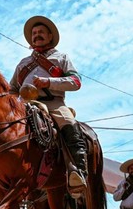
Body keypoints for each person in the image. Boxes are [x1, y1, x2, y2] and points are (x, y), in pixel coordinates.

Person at [10, 15, 87, 193]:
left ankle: (78, 172)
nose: (37, 35)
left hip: (54, 103)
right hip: (25, 106)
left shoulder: (61, 57)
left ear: (50, 36)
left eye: (41, 32)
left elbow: (76, 82)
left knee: (68, 123)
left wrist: (49, 82)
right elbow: (11, 89)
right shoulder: (23, 63)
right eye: (34, 33)